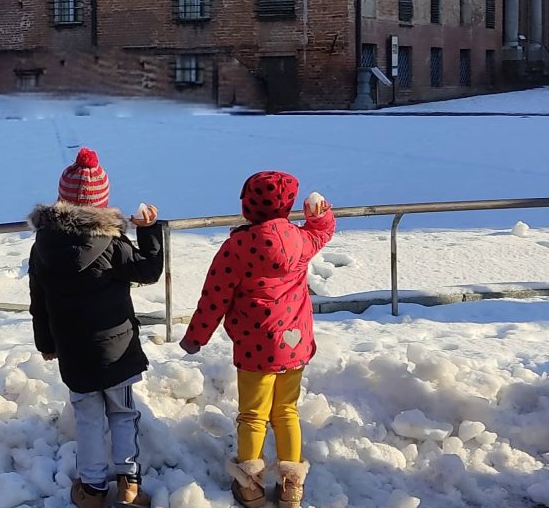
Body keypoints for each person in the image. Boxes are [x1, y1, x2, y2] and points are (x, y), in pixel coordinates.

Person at [180, 172, 335, 508]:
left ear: (247, 205)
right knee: (286, 411)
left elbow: (214, 297)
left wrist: (196, 337)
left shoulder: (236, 247)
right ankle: (291, 486)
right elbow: (322, 233)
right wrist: (319, 215)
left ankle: (249, 486)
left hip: (255, 346)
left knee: (253, 415)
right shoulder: (300, 239)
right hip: (294, 344)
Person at [28, 148, 164, 508]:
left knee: (87, 418)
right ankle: (129, 485)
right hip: (116, 350)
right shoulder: (111, 243)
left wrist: (46, 342)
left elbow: (37, 300)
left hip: (73, 350)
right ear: (102, 203)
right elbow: (149, 271)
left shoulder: (42, 245)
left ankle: (91, 489)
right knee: (122, 414)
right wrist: (149, 232)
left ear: (61, 200)